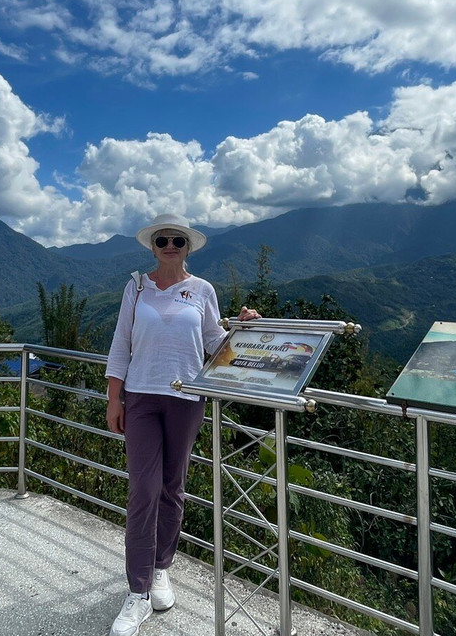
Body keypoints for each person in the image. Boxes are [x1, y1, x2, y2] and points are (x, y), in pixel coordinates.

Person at [105, 213, 260, 636]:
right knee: (144, 490)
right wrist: (113, 399)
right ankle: (136, 592)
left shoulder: (203, 290)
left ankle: (159, 569)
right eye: (162, 240)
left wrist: (242, 331)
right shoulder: (136, 288)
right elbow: (121, 345)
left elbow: (215, 346)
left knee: (172, 487)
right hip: (140, 397)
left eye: (177, 240)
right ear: (152, 247)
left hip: (187, 398)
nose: (170, 246)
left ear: (187, 247)